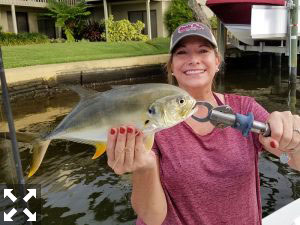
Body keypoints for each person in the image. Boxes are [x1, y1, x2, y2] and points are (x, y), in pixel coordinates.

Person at [105, 22, 300, 225]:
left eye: (203, 51)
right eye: (182, 52)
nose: (193, 60)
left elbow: (290, 159)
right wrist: (144, 169)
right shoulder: (152, 121)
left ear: (217, 62)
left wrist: (292, 140)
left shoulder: (244, 108)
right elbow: (153, 217)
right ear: (171, 66)